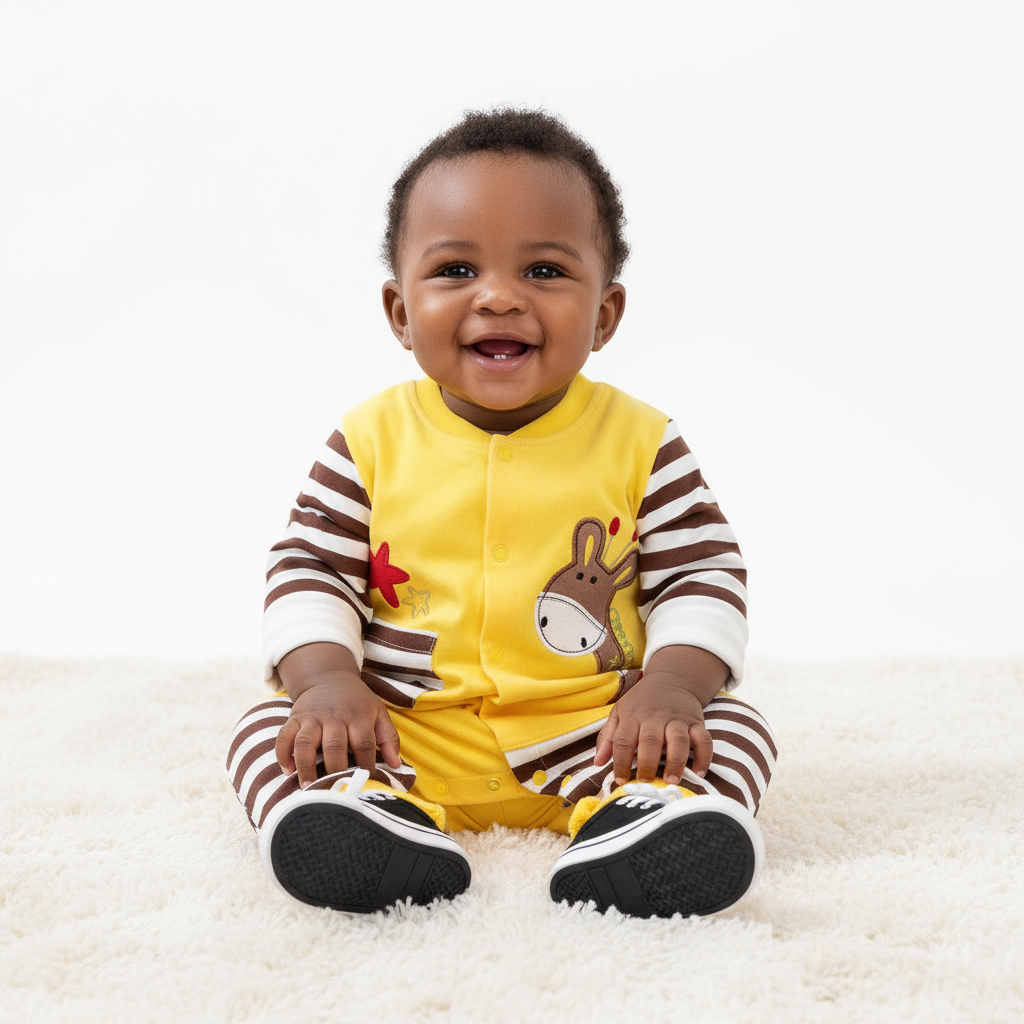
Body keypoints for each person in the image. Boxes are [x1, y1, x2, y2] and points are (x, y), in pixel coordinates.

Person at [226, 108, 777, 919]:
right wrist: (329, 682)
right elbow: (311, 567)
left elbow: (700, 573)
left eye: (545, 273)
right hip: (401, 729)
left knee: (734, 730)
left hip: (598, 731)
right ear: (400, 312)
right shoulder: (369, 438)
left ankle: (644, 821)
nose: (498, 299)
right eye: (454, 271)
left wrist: (669, 688)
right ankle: (366, 816)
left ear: (605, 314)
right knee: (266, 728)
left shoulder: (641, 441)